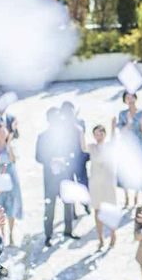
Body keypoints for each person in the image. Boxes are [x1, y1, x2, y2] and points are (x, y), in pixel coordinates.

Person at [35, 107, 80, 246]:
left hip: (65, 174)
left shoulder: (67, 136)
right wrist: (51, 161)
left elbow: (74, 152)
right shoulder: (42, 136)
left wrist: (65, 161)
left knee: (68, 203)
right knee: (49, 206)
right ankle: (48, 235)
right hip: (50, 177)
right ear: (48, 120)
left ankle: (68, 230)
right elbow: (38, 156)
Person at [0, 123, 23, 246]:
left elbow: (13, 160)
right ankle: (2, 235)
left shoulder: (11, 146)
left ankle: (11, 235)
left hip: (10, 178)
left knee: (11, 207)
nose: (3, 134)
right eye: (0, 131)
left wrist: (8, 145)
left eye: (4, 131)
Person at [85, 121, 118, 250]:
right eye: (96, 134)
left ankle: (113, 234)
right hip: (95, 182)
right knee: (97, 210)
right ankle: (100, 238)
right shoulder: (92, 147)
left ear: (105, 134)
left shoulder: (110, 146)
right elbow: (82, 147)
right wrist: (80, 131)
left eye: (100, 134)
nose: (98, 136)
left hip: (108, 181)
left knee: (110, 209)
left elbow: (114, 139)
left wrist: (113, 127)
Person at [117, 91, 142, 208]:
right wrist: (129, 122)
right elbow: (121, 131)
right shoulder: (122, 114)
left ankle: (136, 196)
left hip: (139, 142)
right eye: (127, 98)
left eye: (132, 97)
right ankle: (126, 196)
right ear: (124, 100)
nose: (130, 100)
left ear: (135, 98)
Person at [61, 101, 90, 209]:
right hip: (67, 157)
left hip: (79, 157)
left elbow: (82, 134)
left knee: (83, 182)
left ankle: (85, 204)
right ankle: (72, 210)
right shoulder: (61, 124)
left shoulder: (80, 122)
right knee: (69, 184)